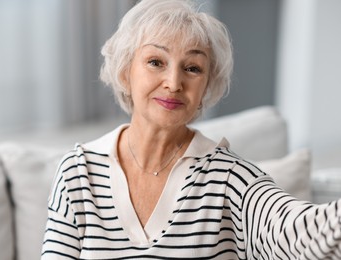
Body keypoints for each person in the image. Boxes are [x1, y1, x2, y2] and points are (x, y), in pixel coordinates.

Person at [41, 0, 341, 259]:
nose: (173, 82)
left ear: (207, 85)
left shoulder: (230, 178)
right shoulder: (78, 172)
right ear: (124, 72)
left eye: (192, 68)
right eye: (156, 62)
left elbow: (296, 233)